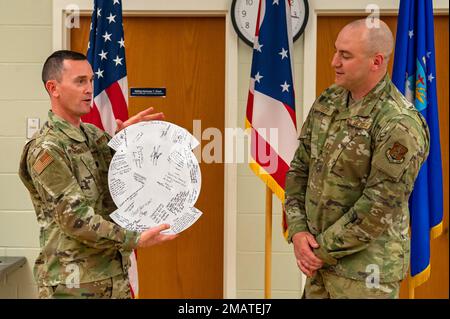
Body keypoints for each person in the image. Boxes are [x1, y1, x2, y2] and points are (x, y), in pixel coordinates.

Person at [285, 19, 430, 299]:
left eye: (345, 55)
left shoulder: (398, 122)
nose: (334, 62)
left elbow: (379, 205)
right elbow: (299, 169)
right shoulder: (329, 100)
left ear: (376, 62)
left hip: (365, 278)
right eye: (336, 51)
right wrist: (298, 230)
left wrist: (318, 250)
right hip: (319, 271)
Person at [19, 50, 178, 299]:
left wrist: (130, 144)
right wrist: (134, 238)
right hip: (73, 285)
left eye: (91, 80)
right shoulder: (46, 149)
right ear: (54, 88)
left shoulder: (94, 136)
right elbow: (75, 219)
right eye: (80, 81)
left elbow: (124, 186)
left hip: (113, 278)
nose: (89, 88)